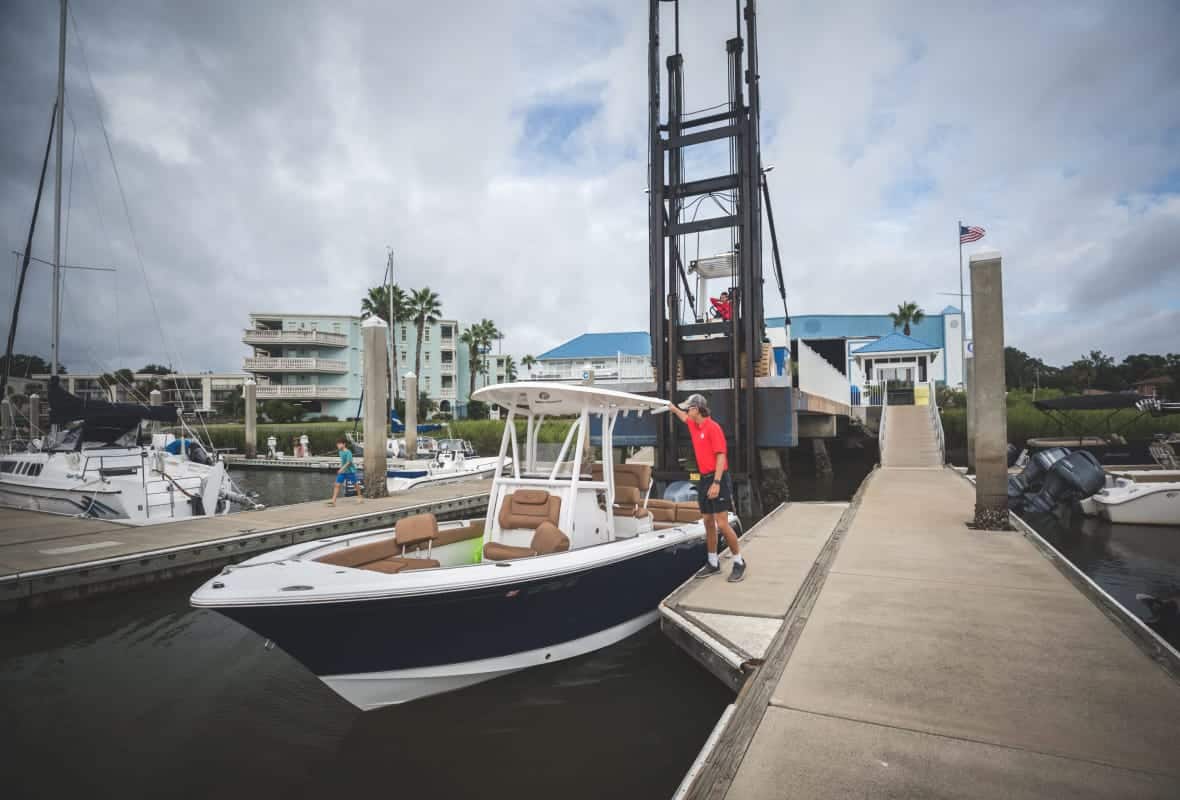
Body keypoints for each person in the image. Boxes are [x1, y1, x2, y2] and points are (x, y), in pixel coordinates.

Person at [666, 393, 746, 582]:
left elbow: (721, 457)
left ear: (697, 409)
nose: (687, 411)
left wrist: (717, 483)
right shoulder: (695, 425)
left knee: (722, 524)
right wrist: (672, 408)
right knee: (708, 522)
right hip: (704, 479)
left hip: (718, 478)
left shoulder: (713, 428)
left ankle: (739, 562)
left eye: (689, 408)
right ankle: (712, 562)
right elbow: (684, 418)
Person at [329, 437, 361, 506]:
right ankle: (333, 501)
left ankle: (359, 497)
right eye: (337, 444)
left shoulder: (348, 452)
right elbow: (343, 462)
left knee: (355, 484)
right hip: (343, 472)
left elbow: (348, 462)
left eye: (339, 444)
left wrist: (341, 469)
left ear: (344, 444)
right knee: (337, 485)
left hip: (350, 471)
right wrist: (342, 469)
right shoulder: (340, 452)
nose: (338, 445)